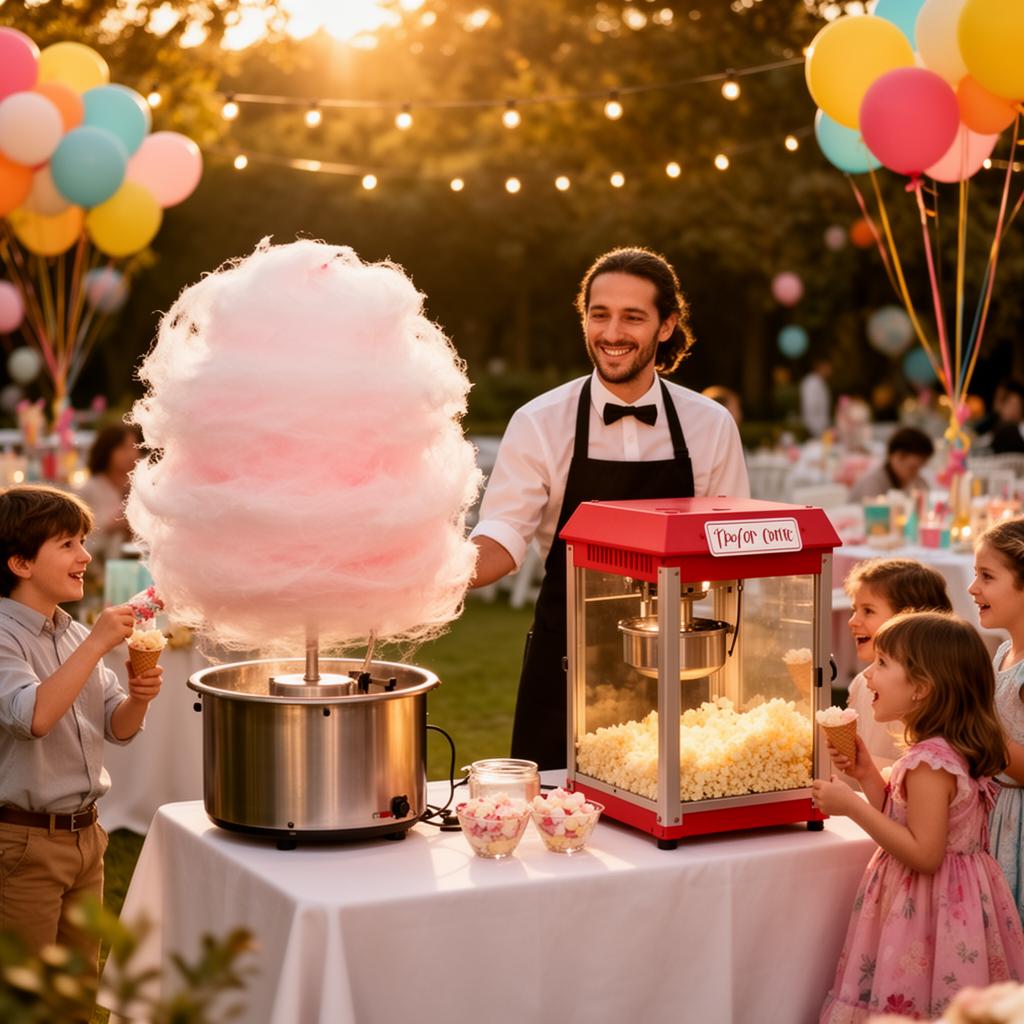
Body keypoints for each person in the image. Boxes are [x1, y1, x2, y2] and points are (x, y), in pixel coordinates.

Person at [470, 246, 749, 769]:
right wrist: (421, 570)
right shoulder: (539, 422)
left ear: (666, 326)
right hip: (567, 662)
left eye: (632, 317)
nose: (612, 332)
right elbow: (502, 538)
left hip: (678, 663)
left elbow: (730, 555)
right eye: (599, 315)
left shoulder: (710, 426)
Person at [814, 612, 1024, 1023]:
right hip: (953, 901)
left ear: (922, 689)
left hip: (931, 909)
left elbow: (925, 853)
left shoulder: (930, 764)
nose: (868, 675)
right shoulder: (940, 751)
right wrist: (868, 776)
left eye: (882, 664)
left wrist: (851, 806)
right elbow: (907, 820)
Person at [0, 485, 163, 982]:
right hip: (23, 844)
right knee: (27, 998)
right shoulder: (6, 637)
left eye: (83, 542)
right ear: (21, 563)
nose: (85, 556)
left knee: (74, 991)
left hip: (86, 839)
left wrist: (138, 698)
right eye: (68, 544)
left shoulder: (70, 633)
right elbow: (34, 717)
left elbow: (116, 726)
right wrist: (95, 643)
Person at [843, 558, 952, 772]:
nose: (852, 621)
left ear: (909, 621)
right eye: (854, 609)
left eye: (868, 611)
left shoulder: (924, 697)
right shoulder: (861, 683)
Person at [969, 517, 1024, 920]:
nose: (973, 589)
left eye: (986, 576)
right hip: (997, 815)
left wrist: (971, 729)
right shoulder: (1002, 652)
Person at [78, 423, 144, 600]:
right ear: (107, 451)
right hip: (100, 575)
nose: (132, 454)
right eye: (123, 448)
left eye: (134, 447)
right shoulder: (90, 489)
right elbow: (80, 534)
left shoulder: (143, 487)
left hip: (140, 569)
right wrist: (112, 523)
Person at [847, 426, 935, 503]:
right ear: (898, 457)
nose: (916, 473)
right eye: (913, 468)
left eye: (920, 467)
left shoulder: (916, 481)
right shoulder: (872, 482)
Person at [800, 357, 832, 437]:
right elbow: (810, 407)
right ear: (821, 367)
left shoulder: (821, 382)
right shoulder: (811, 382)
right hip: (814, 428)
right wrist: (817, 429)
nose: (830, 371)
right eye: (828, 367)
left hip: (822, 427)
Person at [991, 381, 1024, 455]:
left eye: (1015, 405)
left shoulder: (1019, 429)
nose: (1011, 409)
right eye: (1008, 404)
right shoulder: (999, 426)